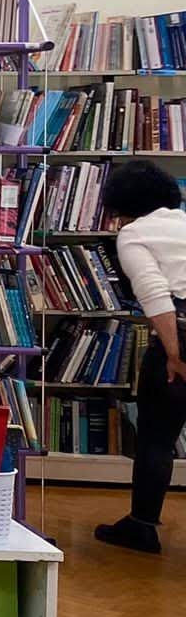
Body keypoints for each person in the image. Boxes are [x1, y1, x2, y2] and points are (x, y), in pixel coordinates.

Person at [95, 159, 186, 553]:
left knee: (157, 437)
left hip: (181, 333)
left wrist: (174, 354)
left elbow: (154, 293)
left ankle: (142, 526)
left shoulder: (134, 234)